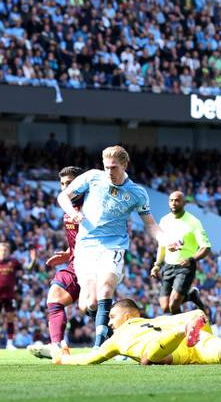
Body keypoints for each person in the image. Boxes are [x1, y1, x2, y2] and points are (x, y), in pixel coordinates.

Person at [57, 145, 180, 348]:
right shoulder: (92, 177)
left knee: (105, 288)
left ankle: (99, 346)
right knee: (89, 303)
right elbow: (63, 197)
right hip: (86, 246)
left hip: (113, 246)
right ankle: (114, 331)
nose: (109, 172)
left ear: (124, 165)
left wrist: (167, 240)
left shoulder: (137, 193)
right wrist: (73, 213)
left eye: (114, 167)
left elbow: (150, 225)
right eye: (106, 167)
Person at [53, 299, 221, 365]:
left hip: (169, 347)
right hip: (199, 342)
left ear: (128, 315)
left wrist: (65, 359)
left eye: (112, 317)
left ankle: (182, 333)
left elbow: (90, 359)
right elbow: (196, 315)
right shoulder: (160, 319)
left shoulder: (117, 338)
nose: (109, 323)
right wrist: (196, 322)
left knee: (148, 358)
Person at [28, 166, 85, 359]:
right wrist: (68, 253)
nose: (64, 188)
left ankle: (120, 344)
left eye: (69, 183)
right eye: (62, 184)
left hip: (94, 264)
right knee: (54, 297)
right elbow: (81, 238)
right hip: (75, 263)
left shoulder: (93, 205)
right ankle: (56, 347)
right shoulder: (68, 207)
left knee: (93, 305)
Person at [151, 191, 210, 315]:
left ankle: (182, 330)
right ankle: (191, 296)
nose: (173, 203)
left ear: (184, 203)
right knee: (165, 307)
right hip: (168, 266)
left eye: (177, 200)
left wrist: (191, 259)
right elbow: (162, 245)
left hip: (186, 266)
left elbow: (206, 247)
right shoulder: (164, 220)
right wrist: (157, 264)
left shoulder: (194, 222)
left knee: (174, 303)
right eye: (171, 200)